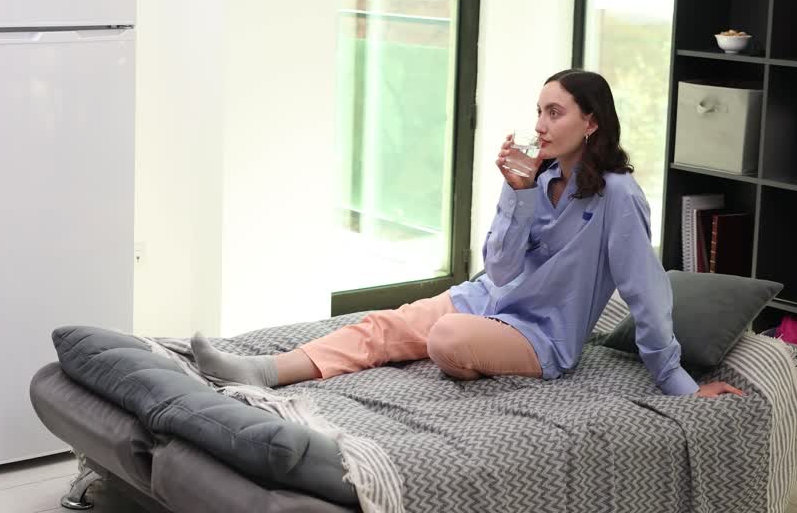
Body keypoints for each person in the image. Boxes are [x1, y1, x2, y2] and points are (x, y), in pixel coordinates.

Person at [192, 69, 743, 398]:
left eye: (555, 113)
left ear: (591, 122)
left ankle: (476, 354)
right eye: (538, 112)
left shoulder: (619, 196)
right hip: (486, 298)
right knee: (383, 327)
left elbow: (645, 290)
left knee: (445, 339)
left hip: (540, 336)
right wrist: (517, 192)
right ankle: (260, 371)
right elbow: (500, 269)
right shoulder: (537, 176)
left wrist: (676, 381)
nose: (541, 125)